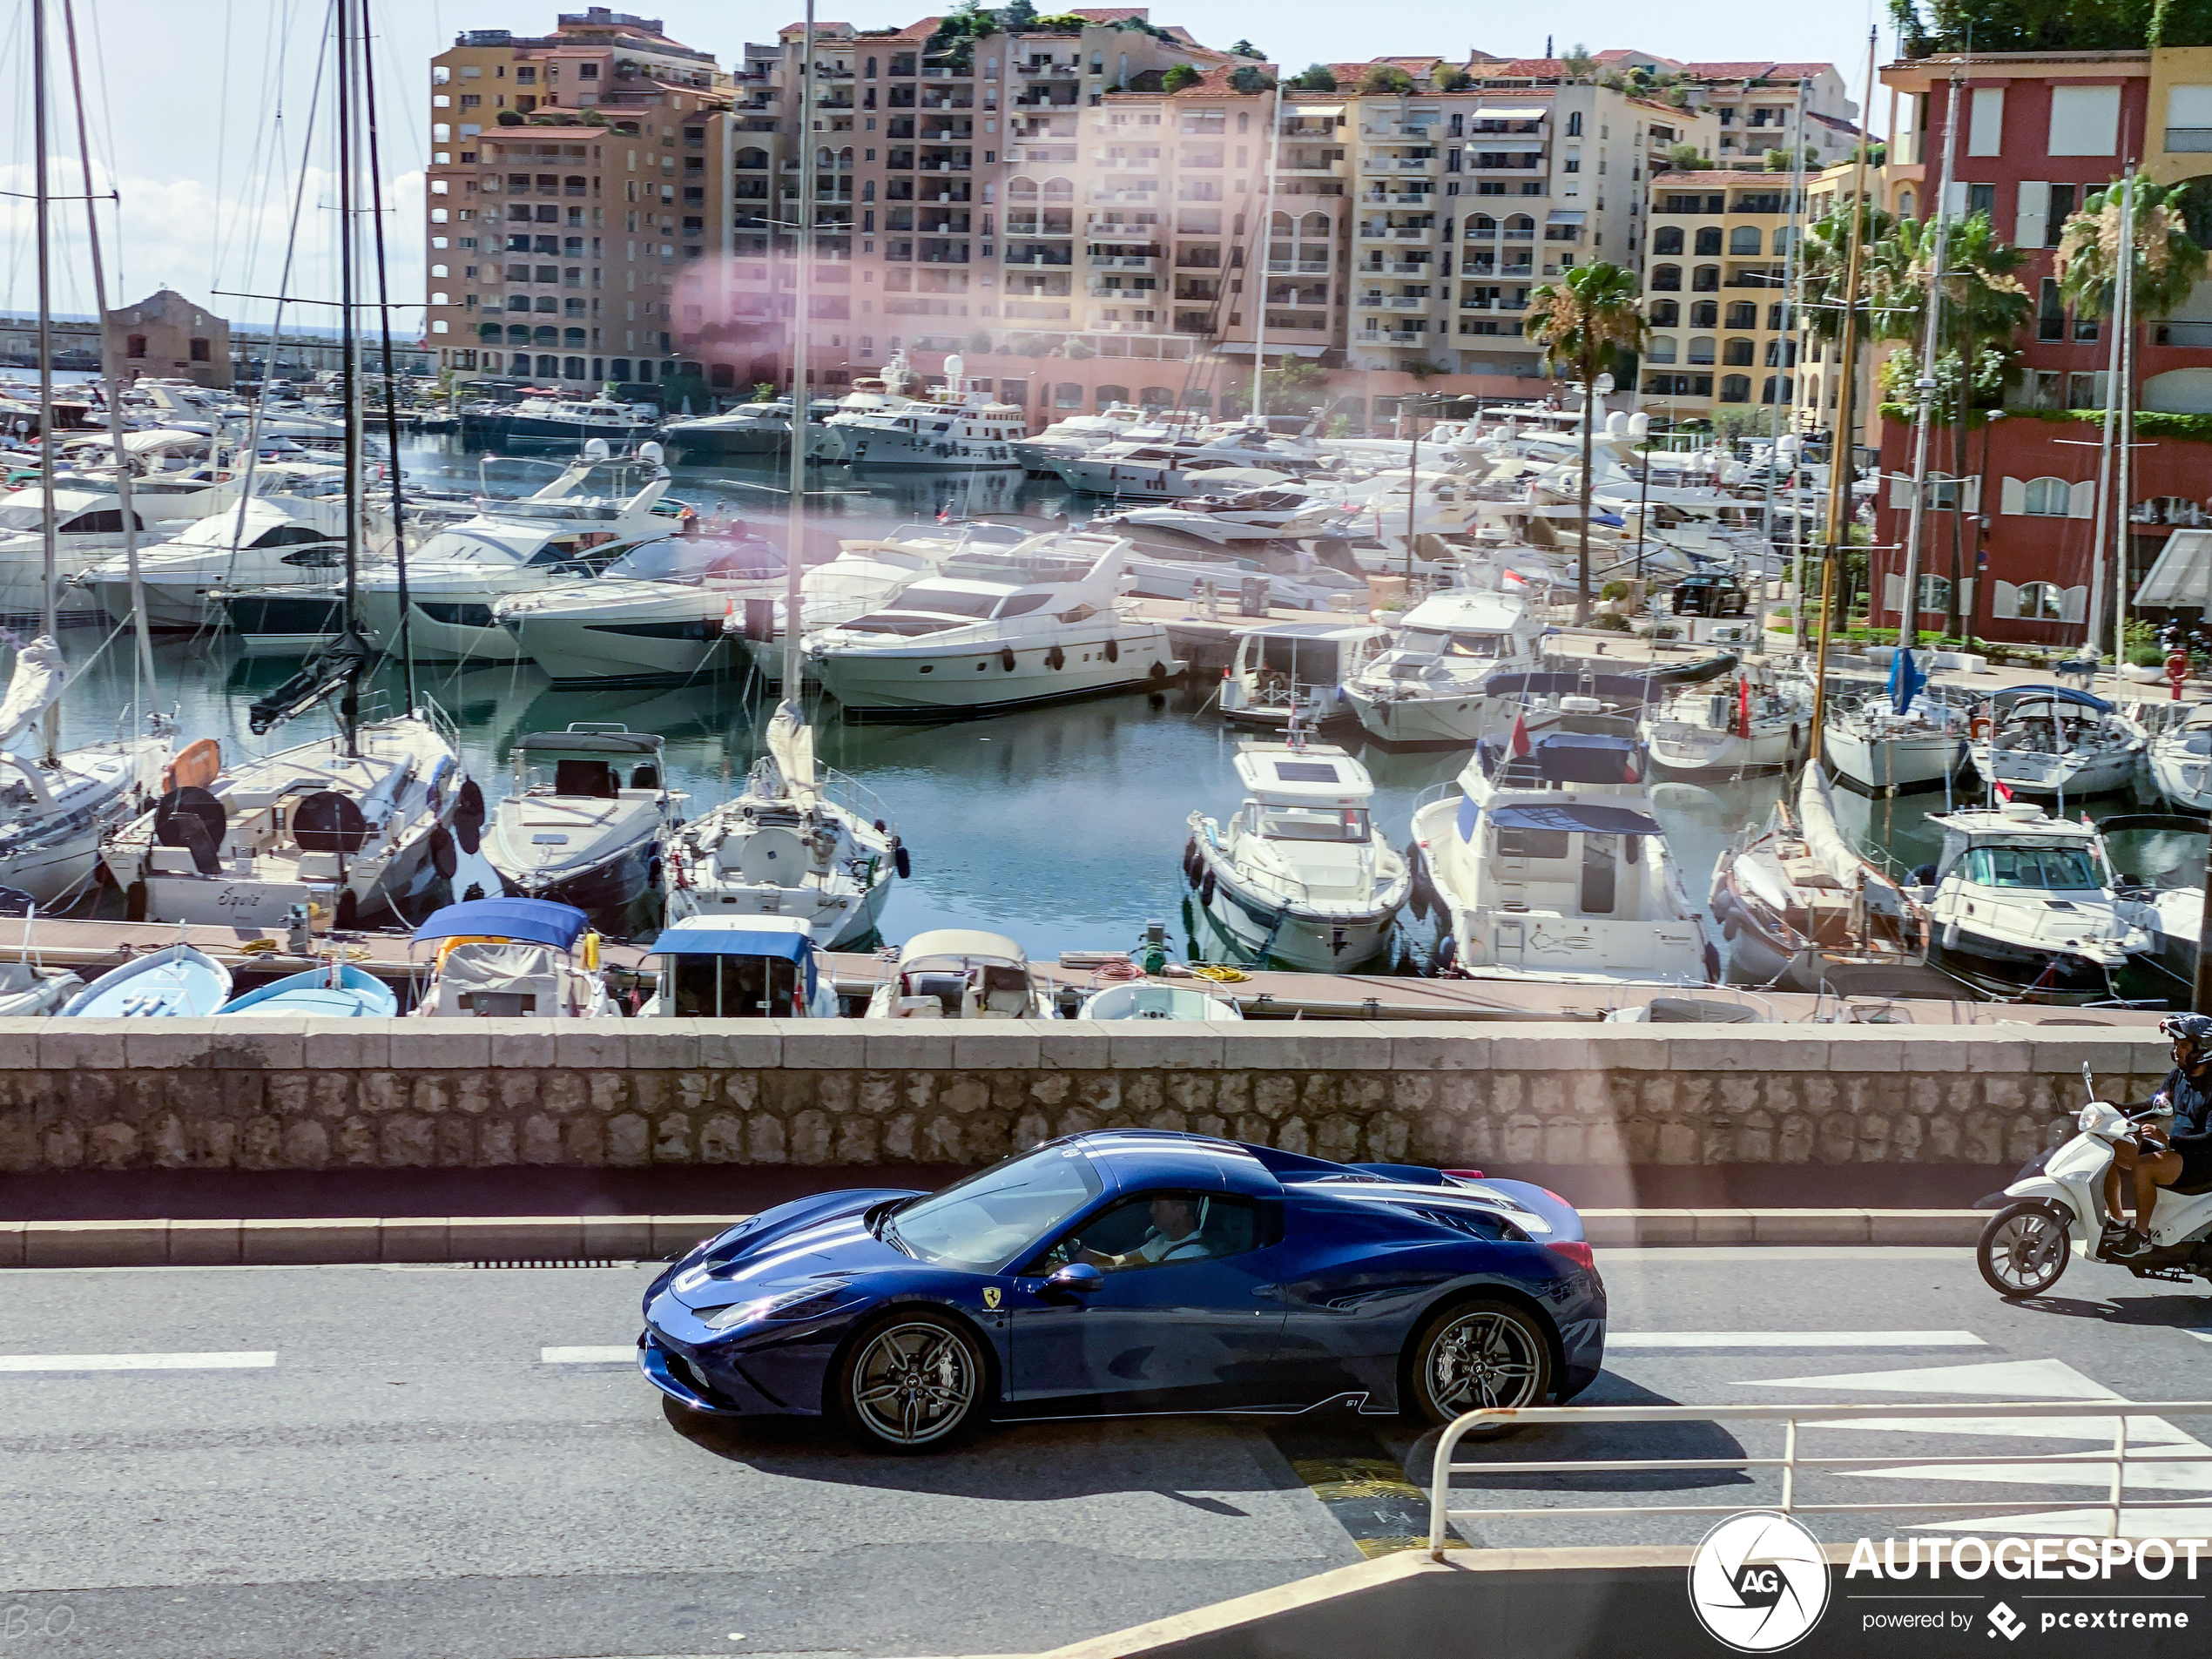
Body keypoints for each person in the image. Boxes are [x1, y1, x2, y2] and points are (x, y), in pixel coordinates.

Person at [2103, 1013, 2212, 1257]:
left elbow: (2210, 1139)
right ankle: (2118, 1222)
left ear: (2202, 1048)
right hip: (2174, 1151)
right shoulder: (2179, 1075)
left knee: (2144, 1167)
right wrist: (2116, 1109)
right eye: (2175, 1044)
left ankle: (2141, 1236)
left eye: (2183, 1045)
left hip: (2202, 1160)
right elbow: (2154, 1105)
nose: (2176, 1051)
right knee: (2108, 1150)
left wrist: (2169, 1141)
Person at [1080, 1197, 1210, 1272]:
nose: (1151, 1210)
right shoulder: (1162, 1241)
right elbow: (1114, 1262)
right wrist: (1074, 1246)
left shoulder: (1190, 1257)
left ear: (1179, 1211)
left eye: (1158, 1206)